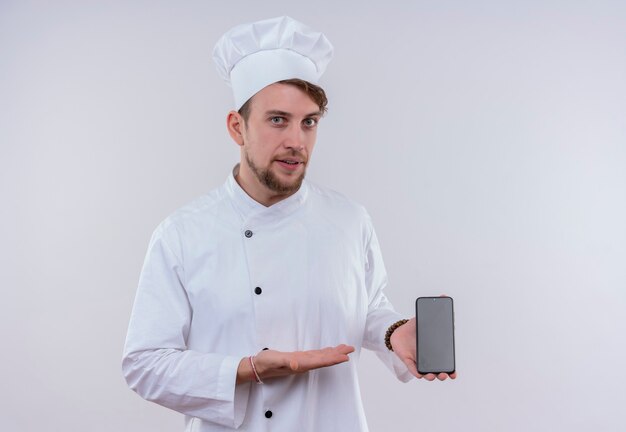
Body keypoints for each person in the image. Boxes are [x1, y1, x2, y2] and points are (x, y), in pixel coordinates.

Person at [122, 16, 455, 432]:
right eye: (278, 119)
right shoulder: (182, 235)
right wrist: (245, 369)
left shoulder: (350, 221)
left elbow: (366, 306)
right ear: (236, 127)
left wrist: (393, 332)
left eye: (309, 122)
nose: (297, 141)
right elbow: (144, 363)